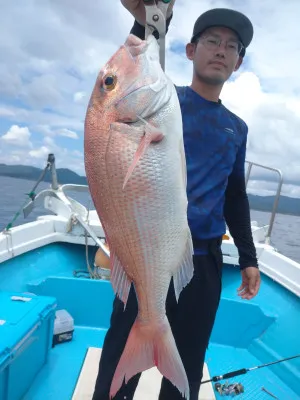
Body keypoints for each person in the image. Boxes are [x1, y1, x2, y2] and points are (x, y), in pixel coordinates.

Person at [92, 2, 261, 400]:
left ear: (238, 63)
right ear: (189, 50)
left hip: (202, 263)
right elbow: (135, 66)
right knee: (119, 361)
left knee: (185, 364)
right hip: (146, 255)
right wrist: (150, 15)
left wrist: (249, 258)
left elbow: (235, 195)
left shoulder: (236, 128)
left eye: (232, 47)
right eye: (212, 41)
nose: (221, 50)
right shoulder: (163, 100)